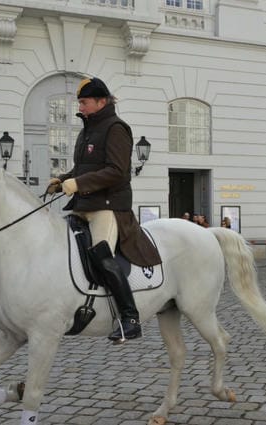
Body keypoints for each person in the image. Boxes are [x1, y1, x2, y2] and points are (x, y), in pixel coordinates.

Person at [47, 77, 162, 343]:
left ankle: (130, 318)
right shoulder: (87, 129)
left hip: (107, 207)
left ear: (101, 101)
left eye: (84, 102)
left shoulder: (116, 128)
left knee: (101, 253)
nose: (81, 107)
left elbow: (116, 172)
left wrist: (76, 183)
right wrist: (63, 180)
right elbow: (85, 169)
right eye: (80, 102)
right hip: (83, 205)